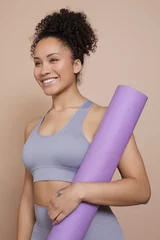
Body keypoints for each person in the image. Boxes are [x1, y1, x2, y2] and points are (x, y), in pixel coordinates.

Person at [17, 8, 151, 240]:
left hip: (93, 233)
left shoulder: (104, 118)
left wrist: (79, 191)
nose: (43, 70)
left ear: (76, 65)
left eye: (53, 60)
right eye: (38, 63)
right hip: (43, 234)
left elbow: (141, 189)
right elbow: (27, 198)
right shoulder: (32, 128)